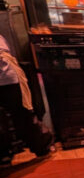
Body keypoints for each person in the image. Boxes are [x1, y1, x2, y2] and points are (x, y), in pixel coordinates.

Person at [0, 35, 52, 164]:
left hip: (8, 78)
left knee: (23, 116)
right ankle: (4, 156)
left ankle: (41, 148)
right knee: (21, 116)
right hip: (8, 78)